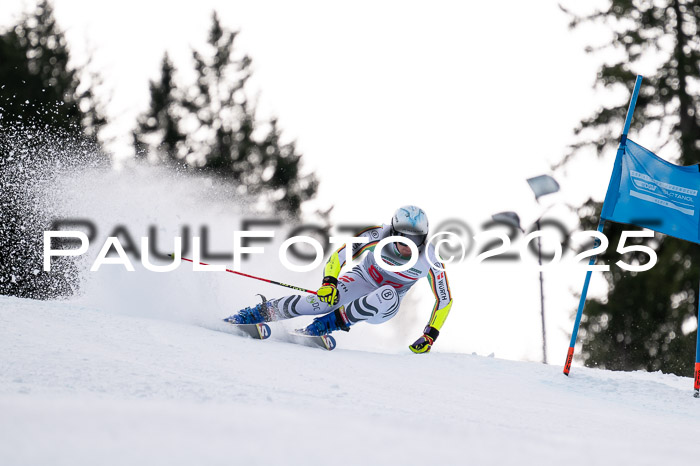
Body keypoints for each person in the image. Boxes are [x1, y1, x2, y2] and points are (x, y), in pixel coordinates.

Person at [226, 205, 453, 353]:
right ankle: (257, 313)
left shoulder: (430, 258)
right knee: (320, 303)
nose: (408, 247)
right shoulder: (376, 234)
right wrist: (329, 283)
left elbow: (445, 299)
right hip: (361, 280)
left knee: (387, 292)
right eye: (403, 239)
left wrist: (429, 334)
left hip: (384, 306)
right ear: (393, 233)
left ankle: (324, 326)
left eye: (416, 240)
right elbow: (339, 256)